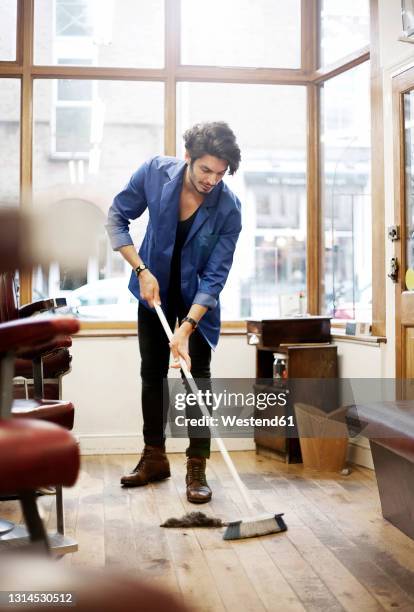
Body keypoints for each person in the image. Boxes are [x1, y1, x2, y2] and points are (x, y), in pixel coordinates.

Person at [106, 122, 242, 503]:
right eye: (205, 170)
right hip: (154, 293)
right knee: (152, 373)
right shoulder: (154, 173)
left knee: (196, 379)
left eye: (220, 173)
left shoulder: (229, 209)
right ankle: (154, 458)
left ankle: (196, 468)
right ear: (188, 158)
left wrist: (188, 326)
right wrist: (141, 269)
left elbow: (215, 275)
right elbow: (117, 217)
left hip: (196, 302)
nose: (212, 180)